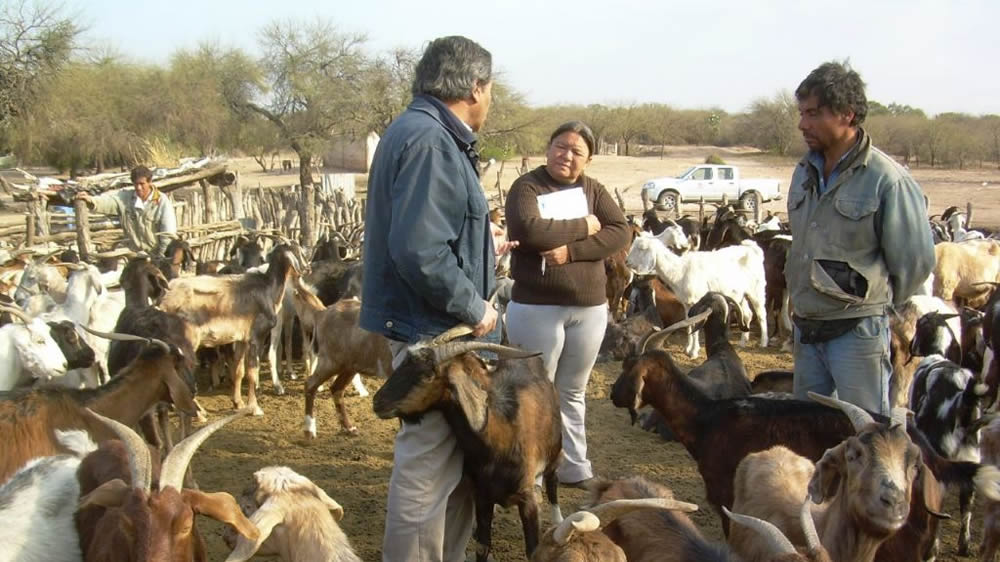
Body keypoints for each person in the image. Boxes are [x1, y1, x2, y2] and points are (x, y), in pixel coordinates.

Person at [359, 35, 509, 562]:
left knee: (457, 471)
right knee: (425, 474)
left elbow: (427, 237)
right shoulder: (430, 141)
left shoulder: (419, 132)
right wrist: (476, 306)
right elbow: (419, 250)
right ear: (474, 86)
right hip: (436, 336)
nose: (491, 99)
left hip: (433, 330)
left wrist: (478, 247)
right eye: (491, 89)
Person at [785, 61, 935, 416]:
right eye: (802, 113)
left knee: (865, 439)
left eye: (814, 114)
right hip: (807, 330)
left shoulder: (887, 180)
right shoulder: (803, 173)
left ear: (847, 115)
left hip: (856, 334)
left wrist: (872, 305)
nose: (803, 124)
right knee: (810, 437)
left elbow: (915, 263)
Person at [504, 121, 630, 488]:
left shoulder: (593, 188)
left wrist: (572, 250)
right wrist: (586, 225)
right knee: (534, 390)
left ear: (588, 160)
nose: (567, 155)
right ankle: (535, 470)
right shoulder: (527, 186)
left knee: (573, 390)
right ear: (548, 148)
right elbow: (528, 229)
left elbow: (620, 231)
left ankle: (575, 467)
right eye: (561, 146)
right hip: (537, 306)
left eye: (577, 151)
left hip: (589, 308)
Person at [75, 165, 177, 256]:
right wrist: (91, 200)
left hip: (156, 254)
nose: (139, 187)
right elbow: (108, 201)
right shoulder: (126, 199)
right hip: (133, 255)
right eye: (136, 184)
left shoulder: (162, 202)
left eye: (142, 184)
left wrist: (161, 256)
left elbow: (168, 233)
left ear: (150, 182)